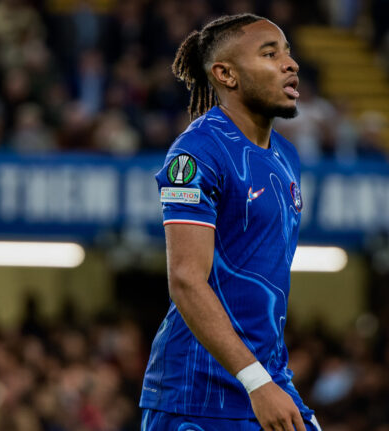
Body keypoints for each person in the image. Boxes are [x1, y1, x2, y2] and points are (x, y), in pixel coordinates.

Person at [139, 13, 321, 431]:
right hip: (195, 398)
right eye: (269, 53)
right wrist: (257, 383)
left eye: (288, 52)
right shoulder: (197, 153)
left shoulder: (286, 156)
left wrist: (267, 380)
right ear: (226, 74)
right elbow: (186, 278)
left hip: (265, 378)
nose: (290, 64)